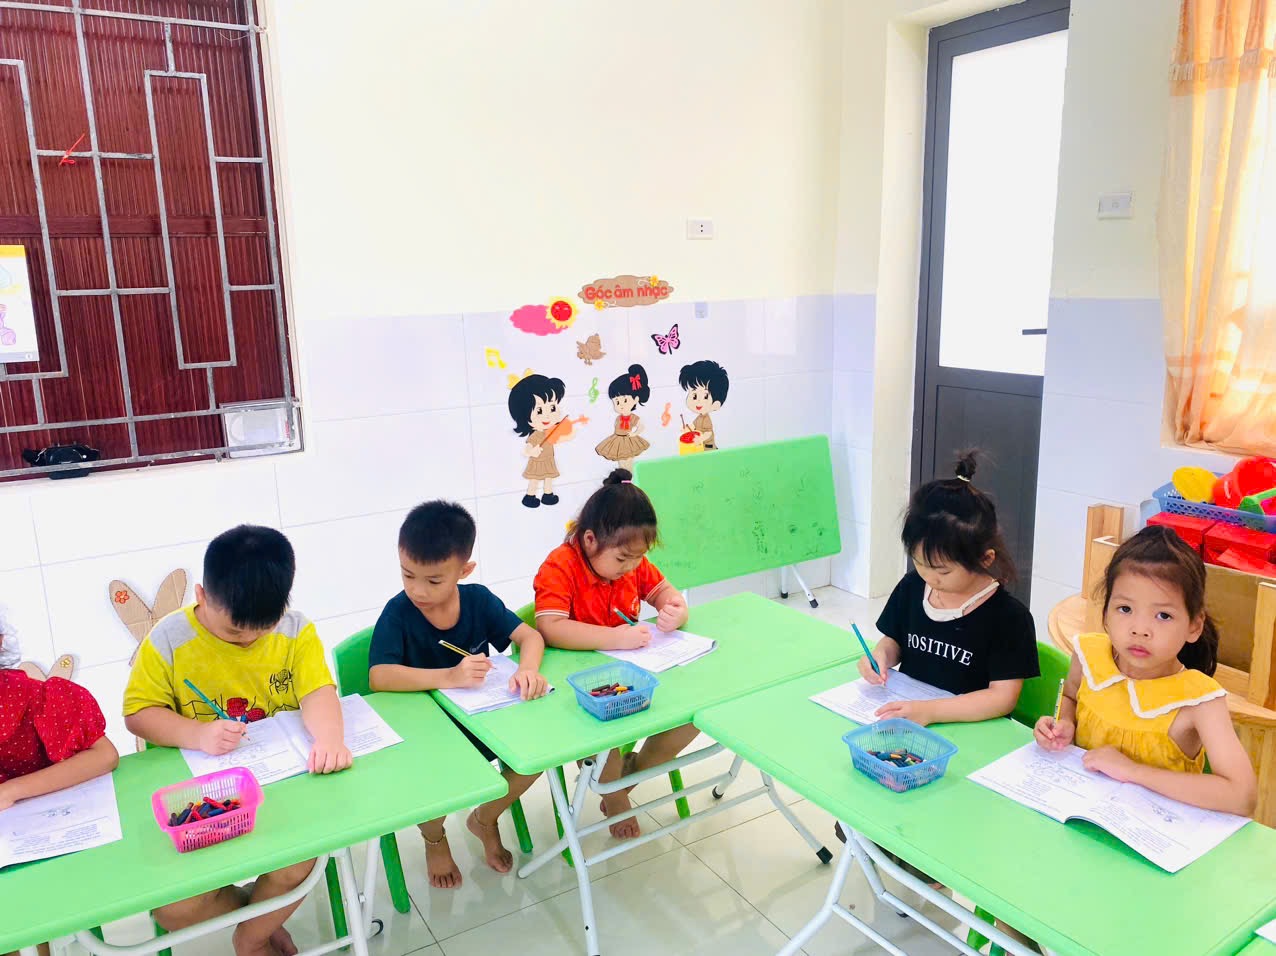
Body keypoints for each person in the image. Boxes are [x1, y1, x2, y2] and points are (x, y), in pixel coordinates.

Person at [124, 526, 350, 956]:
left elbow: (318, 692)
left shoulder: (295, 630)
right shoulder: (170, 638)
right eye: (233, 633)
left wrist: (330, 738)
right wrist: (196, 733)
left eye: (260, 632)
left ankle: (251, 939)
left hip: (282, 791)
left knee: (301, 861)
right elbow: (138, 714)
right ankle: (260, 921)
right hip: (205, 802)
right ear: (202, 595)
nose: (247, 641)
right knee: (173, 909)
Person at [369, 501, 550, 888]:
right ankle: (434, 837)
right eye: (407, 575)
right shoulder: (398, 612)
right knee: (434, 784)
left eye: (434, 581)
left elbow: (530, 637)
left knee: (536, 756)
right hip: (428, 734)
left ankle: (485, 818)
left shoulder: (478, 600)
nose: (418, 590)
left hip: (482, 719)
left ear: (464, 571)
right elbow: (379, 676)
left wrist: (528, 670)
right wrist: (449, 676)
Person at [1035, 525, 1256, 816]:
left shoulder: (1200, 700)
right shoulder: (1089, 656)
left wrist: (1133, 771)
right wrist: (1064, 724)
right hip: (1078, 813)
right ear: (1106, 612)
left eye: (1163, 615)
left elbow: (1242, 797)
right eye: (1125, 609)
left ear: (1194, 626)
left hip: (1155, 832)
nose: (1140, 629)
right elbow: (1071, 697)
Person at [533, 469, 694, 839]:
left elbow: (665, 593)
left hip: (629, 673)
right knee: (602, 731)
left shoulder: (630, 560)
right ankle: (617, 796)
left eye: (638, 558)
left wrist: (676, 609)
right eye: (623, 559)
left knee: (692, 717)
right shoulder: (560, 566)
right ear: (590, 539)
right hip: (574, 682)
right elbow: (550, 627)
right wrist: (615, 638)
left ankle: (625, 780)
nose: (632, 567)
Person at [858, 452, 1039, 721]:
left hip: (970, 728)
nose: (930, 577)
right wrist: (880, 656)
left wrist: (930, 712)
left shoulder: (1009, 618)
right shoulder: (913, 586)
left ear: (985, 559)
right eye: (919, 563)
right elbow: (895, 641)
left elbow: (1002, 698)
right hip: (910, 717)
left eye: (943, 570)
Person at [0, 664, 119, 956]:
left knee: (23, 920)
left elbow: (104, 756)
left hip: (38, 853)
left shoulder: (28, 696)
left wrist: (12, 790)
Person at [595, 364, 651, 470]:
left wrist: (634, 433)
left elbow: (641, 426)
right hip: (617, 439)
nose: (620, 405)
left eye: (624, 400)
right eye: (617, 402)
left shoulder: (633, 417)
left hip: (628, 440)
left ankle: (629, 478)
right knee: (621, 463)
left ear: (635, 399)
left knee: (628, 462)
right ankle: (624, 477)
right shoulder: (618, 418)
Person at [678, 359, 729, 450]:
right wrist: (687, 429)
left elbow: (708, 433)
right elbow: (693, 426)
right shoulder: (700, 417)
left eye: (705, 397)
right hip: (701, 447)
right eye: (694, 396)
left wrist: (701, 438)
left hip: (708, 446)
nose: (698, 401)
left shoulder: (706, 419)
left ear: (716, 404)